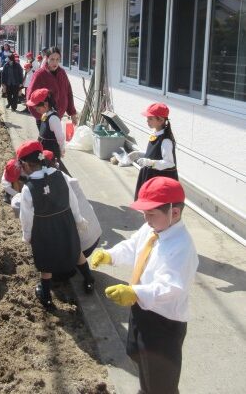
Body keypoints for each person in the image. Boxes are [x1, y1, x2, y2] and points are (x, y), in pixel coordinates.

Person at [90, 177, 198, 394]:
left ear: (175, 212)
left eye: (151, 214)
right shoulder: (153, 229)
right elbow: (133, 246)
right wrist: (110, 255)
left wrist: (134, 292)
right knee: (137, 354)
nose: (146, 219)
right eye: (144, 213)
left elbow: (171, 287)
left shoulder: (182, 247)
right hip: (141, 308)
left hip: (163, 321)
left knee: (161, 379)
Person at [18, 140, 95, 309]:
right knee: (75, 250)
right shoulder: (60, 175)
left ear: (26, 165)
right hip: (65, 222)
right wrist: (78, 219)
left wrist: (27, 235)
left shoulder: (28, 188)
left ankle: (46, 297)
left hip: (43, 228)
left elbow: (26, 217)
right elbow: (72, 200)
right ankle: (89, 279)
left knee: (45, 261)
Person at [133, 103, 178, 201]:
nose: (147, 121)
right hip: (150, 175)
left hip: (158, 179)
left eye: (150, 118)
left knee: (154, 204)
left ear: (161, 120)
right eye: (147, 118)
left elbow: (169, 163)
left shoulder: (166, 140)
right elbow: (154, 153)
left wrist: (149, 162)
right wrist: (138, 154)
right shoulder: (155, 134)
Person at [27, 47, 78, 130]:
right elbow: (30, 96)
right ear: (47, 59)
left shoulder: (62, 73)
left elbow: (68, 93)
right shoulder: (40, 74)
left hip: (58, 116)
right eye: (52, 59)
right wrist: (40, 115)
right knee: (47, 138)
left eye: (57, 59)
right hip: (44, 118)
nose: (55, 62)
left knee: (56, 137)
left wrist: (72, 113)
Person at [27, 87, 65, 161]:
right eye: (35, 109)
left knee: (50, 166)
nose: (37, 111)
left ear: (46, 104)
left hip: (51, 151)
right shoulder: (45, 115)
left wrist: (62, 148)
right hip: (43, 149)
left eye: (38, 108)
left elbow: (60, 137)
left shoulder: (53, 118)